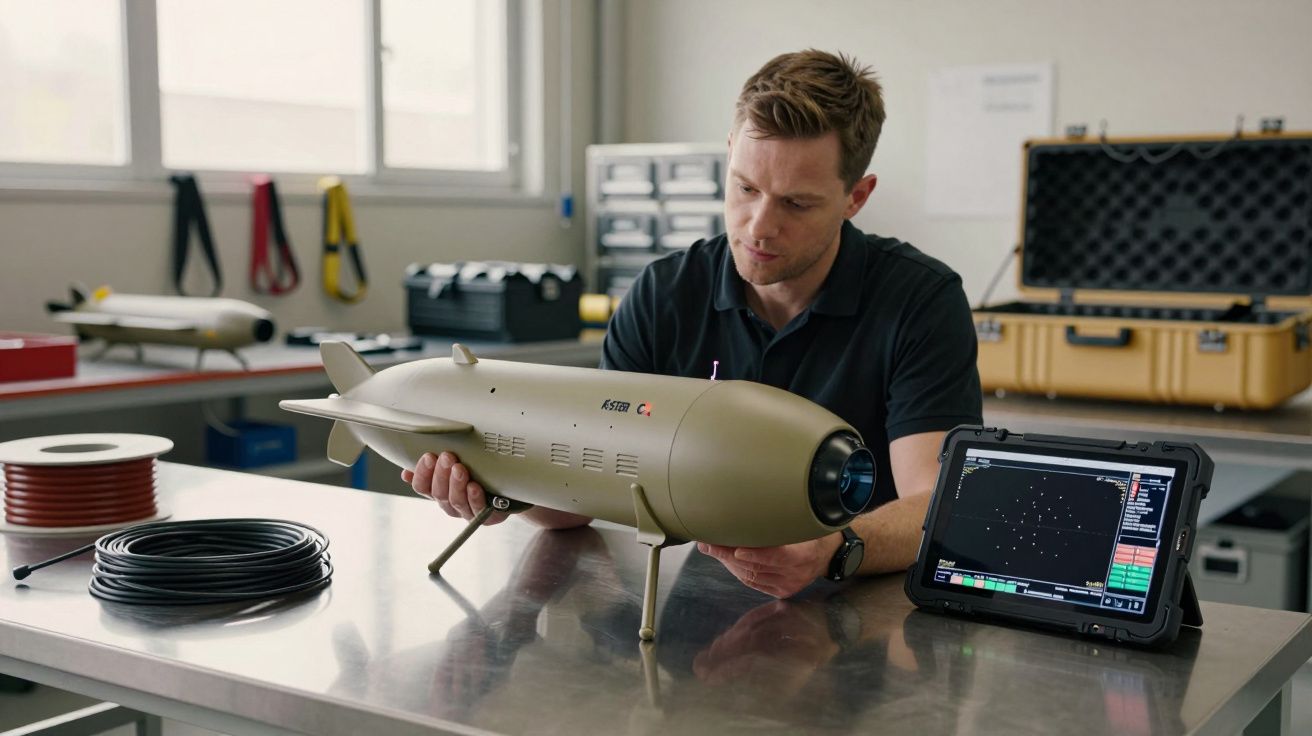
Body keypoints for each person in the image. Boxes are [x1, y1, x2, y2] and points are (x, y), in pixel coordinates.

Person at [404, 49, 982, 599]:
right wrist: (501, 490)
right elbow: (579, 501)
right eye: (745, 187)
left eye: (796, 204)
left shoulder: (920, 301)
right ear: (730, 153)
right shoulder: (663, 295)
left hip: (856, 610)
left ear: (856, 197)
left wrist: (839, 548)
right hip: (685, 612)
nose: (759, 226)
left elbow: (936, 499)